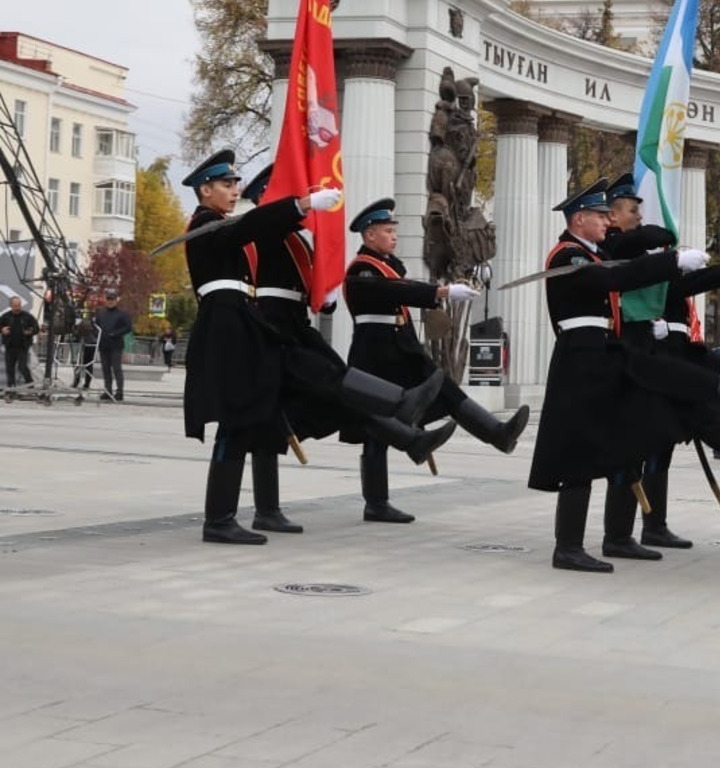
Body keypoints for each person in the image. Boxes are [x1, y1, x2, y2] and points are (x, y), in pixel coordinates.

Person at [531, 178, 720, 573]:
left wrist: (690, 267)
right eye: (600, 216)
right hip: (580, 361)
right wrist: (670, 261)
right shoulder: (569, 256)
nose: (606, 223)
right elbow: (613, 280)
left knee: (634, 431)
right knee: (578, 453)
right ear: (579, 218)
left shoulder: (591, 253)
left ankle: (617, 535)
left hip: (602, 355)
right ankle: (567, 547)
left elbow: (626, 273)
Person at [239, 166, 455, 532]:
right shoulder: (263, 229)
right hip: (271, 326)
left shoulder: (292, 237)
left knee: (330, 397)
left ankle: (410, 437)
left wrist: (321, 295)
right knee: (316, 393)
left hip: (294, 324)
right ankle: (403, 413)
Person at [181, 149, 340, 544]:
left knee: (246, 419)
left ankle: (228, 516)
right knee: (234, 422)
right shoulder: (204, 224)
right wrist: (299, 204)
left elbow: (250, 230)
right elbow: (244, 230)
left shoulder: (219, 223)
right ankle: (218, 519)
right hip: (224, 325)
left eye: (236, 184)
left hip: (239, 322)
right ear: (205, 190)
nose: (234, 191)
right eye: (225, 184)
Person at [342, 197, 530, 523]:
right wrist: (440, 293)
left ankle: (497, 432)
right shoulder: (362, 269)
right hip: (375, 353)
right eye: (388, 231)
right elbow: (394, 292)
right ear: (369, 235)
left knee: (446, 389)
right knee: (376, 429)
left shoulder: (386, 266)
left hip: (400, 350)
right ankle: (376, 502)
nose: (394, 236)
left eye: (394, 230)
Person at [95, 289, 132, 402]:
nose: (110, 301)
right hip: (104, 345)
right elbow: (96, 326)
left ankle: (119, 392)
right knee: (105, 369)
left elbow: (128, 327)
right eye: (108, 299)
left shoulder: (122, 314)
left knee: (116, 369)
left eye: (112, 299)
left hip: (116, 345)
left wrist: (116, 333)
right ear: (106, 300)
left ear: (116, 300)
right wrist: (97, 336)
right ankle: (108, 391)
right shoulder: (101, 313)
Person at [0, 295, 38, 388]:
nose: (18, 308)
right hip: (10, 347)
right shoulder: (5, 317)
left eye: (19, 305)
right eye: (15, 306)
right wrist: (2, 330)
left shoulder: (27, 316)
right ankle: (11, 388)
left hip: (23, 347)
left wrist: (31, 331)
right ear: (11, 306)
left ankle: (30, 384)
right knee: (10, 369)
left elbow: (36, 328)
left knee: (22, 367)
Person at [73, 313, 98, 389]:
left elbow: (77, 333)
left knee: (79, 363)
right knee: (88, 365)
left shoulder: (83, 323)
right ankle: (86, 383)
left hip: (84, 343)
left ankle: (77, 381)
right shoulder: (94, 325)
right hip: (91, 344)